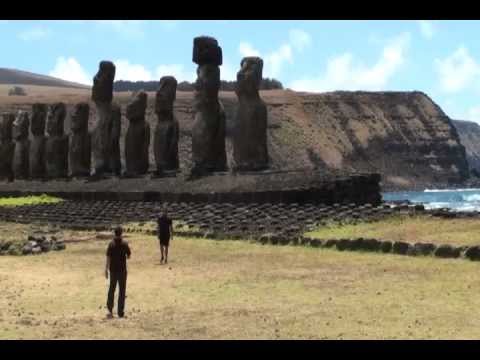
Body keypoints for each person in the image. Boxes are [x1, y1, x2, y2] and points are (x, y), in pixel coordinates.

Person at [105, 226, 131, 318]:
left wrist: (106, 269)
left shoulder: (111, 244)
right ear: (121, 233)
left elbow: (108, 257)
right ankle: (120, 311)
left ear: (114, 233)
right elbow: (128, 256)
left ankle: (110, 309)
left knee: (112, 289)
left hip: (113, 270)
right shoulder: (124, 243)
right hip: (122, 270)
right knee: (122, 290)